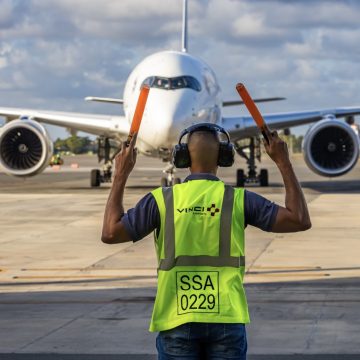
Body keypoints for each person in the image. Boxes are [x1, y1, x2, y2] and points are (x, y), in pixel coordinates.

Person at [101, 123, 311, 360]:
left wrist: (120, 175)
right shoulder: (238, 200)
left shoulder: (161, 201)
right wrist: (284, 162)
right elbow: (299, 220)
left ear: (181, 158)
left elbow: (110, 233)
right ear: (224, 157)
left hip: (176, 318)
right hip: (226, 318)